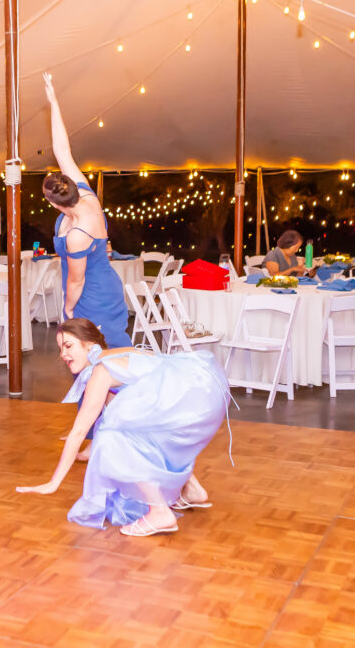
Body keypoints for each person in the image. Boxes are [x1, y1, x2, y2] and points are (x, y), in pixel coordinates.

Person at [16, 319, 230, 537]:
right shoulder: (115, 355)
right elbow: (116, 414)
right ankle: (193, 490)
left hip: (187, 401)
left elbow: (79, 432)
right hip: (200, 394)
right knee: (133, 431)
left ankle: (159, 512)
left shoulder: (101, 371)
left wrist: (53, 483)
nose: (63, 354)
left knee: (112, 440)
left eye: (69, 346)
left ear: (89, 345)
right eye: (60, 348)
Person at [42, 73, 131, 350]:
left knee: (107, 360)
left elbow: (76, 280)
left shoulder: (79, 234)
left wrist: (67, 311)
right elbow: (62, 150)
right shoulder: (84, 194)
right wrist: (53, 102)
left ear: (55, 205)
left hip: (94, 296)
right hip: (90, 290)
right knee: (88, 364)